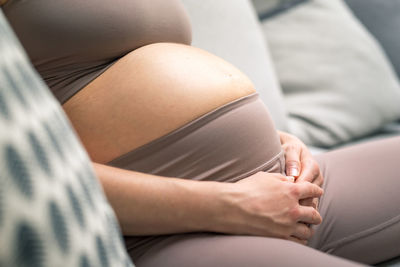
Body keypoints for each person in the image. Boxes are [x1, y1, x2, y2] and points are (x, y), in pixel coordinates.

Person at [2, 1, 400, 266]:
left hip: (280, 188)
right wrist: (233, 205)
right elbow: (19, 177)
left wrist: (281, 140)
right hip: (167, 234)